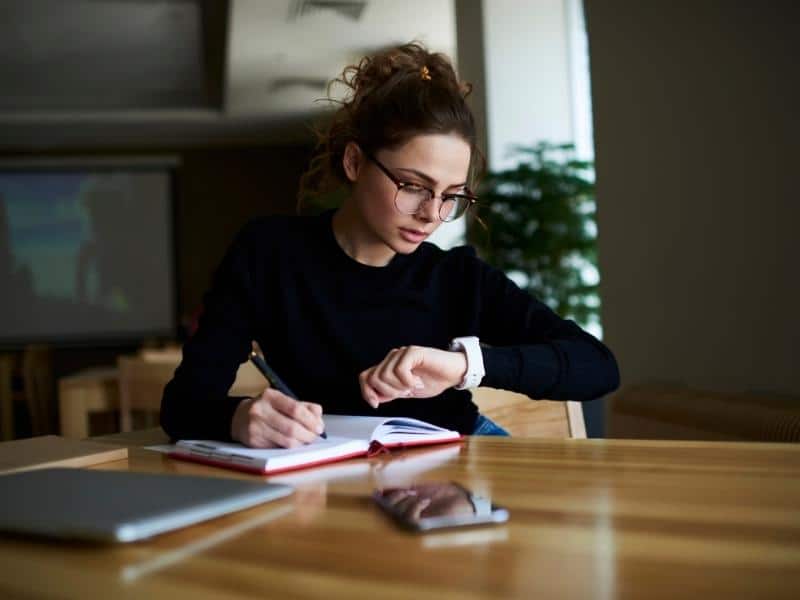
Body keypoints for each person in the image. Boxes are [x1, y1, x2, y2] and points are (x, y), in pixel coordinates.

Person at [160, 42, 619, 448]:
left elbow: (597, 366)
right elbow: (183, 405)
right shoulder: (268, 254)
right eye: (414, 186)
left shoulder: (457, 277)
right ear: (356, 161)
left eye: (451, 196)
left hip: (459, 457)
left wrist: (462, 366)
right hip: (336, 468)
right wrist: (238, 418)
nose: (432, 214)